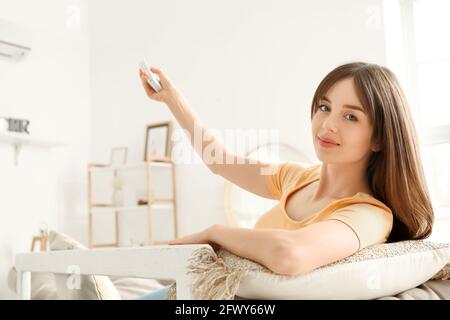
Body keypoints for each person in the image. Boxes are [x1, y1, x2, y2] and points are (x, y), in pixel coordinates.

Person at [135, 62, 434, 299]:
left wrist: (216, 233)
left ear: (379, 138)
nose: (327, 125)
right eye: (324, 107)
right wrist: (171, 98)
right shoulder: (295, 177)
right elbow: (220, 161)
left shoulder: (369, 214)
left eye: (351, 117)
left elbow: (289, 254)